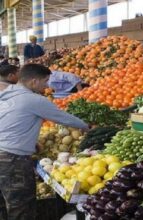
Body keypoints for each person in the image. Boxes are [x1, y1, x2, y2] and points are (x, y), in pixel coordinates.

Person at [0, 63, 89, 220]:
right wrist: (88, 127)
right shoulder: (34, 100)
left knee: (3, 204)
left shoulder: (7, 93)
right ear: (34, 81)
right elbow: (65, 118)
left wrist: (27, 140)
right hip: (12, 159)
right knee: (21, 207)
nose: (47, 85)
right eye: (46, 81)